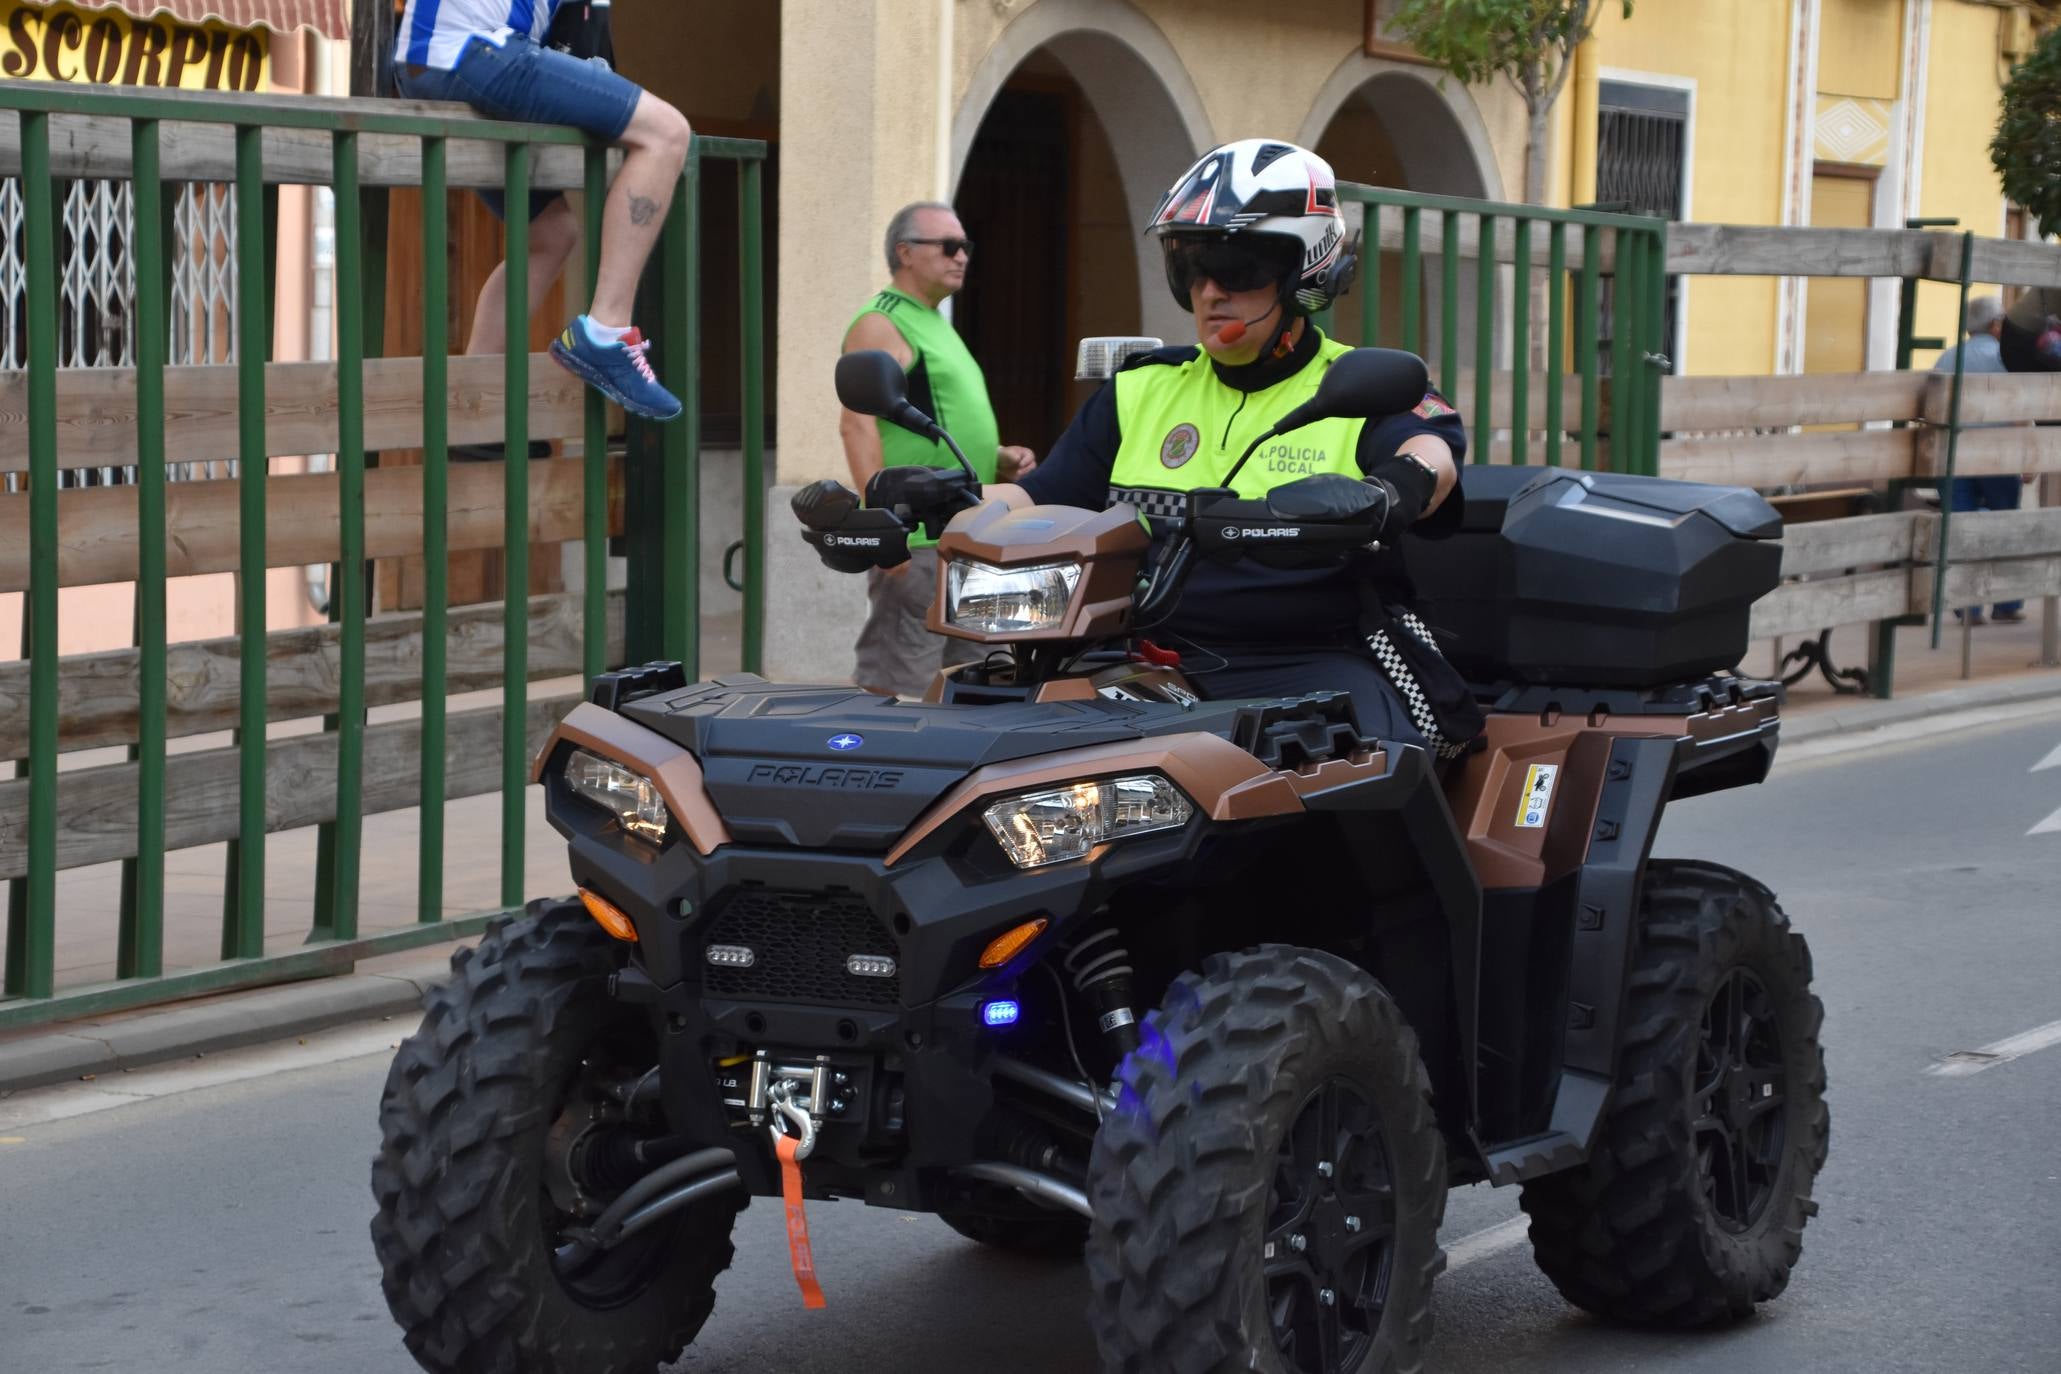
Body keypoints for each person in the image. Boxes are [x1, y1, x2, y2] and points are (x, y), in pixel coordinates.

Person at [900, 140, 1482, 757]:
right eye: (1192, 269)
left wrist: (1394, 489)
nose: (1210, 292)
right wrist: (934, 502)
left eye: (1237, 268)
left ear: (1305, 271)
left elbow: (1430, 454)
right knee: (991, 750)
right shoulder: (1143, 387)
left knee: (1374, 769)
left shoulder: (1359, 385)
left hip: (1307, 657)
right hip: (1139, 656)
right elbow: (1040, 497)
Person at [393, 0, 692, 422]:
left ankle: (473, 416)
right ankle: (607, 331)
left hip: (433, 61)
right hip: (471, 50)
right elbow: (585, 50)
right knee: (666, 133)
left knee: (552, 233)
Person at [839, 201, 1037, 697]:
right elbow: (857, 423)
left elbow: (934, 417)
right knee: (898, 688)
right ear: (905, 252)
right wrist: (882, 530)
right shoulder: (882, 321)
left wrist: (997, 456)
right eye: (949, 246)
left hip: (968, 533)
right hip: (919, 539)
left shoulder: (933, 320)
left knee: (969, 683)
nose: (962, 256)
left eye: (965, 246)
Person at [1933, 295, 2025, 623]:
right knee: (2005, 529)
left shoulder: (1946, 358)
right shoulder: (2004, 358)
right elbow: (2019, 408)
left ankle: (1968, 607)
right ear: (1996, 325)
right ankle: (2006, 605)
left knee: (1960, 531)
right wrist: (2028, 458)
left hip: (1952, 457)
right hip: (1997, 457)